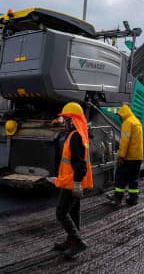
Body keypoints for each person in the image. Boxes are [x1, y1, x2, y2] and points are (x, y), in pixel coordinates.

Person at [49, 102, 92, 259]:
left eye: (66, 120)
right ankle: (71, 241)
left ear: (73, 120)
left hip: (72, 183)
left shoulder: (75, 137)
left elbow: (80, 164)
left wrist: (76, 184)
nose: (64, 123)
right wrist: (59, 179)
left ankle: (78, 242)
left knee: (61, 212)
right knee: (73, 212)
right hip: (70, 180)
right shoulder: (76, 134)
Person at [108, 104, 143, 206]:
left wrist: (121, 156)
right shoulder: (137, 121)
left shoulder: (127, 123)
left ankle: (117, 198)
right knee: (133, 178)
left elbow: (125, 141)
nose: (119, 117)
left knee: (120, 177)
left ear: (123, 114)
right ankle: (133, 199)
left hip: (129, 157)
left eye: (120, 115)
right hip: (138, 157)